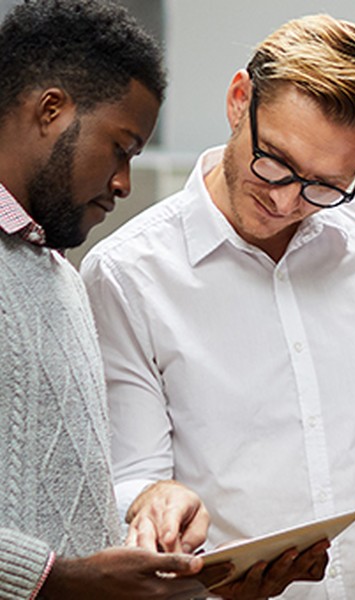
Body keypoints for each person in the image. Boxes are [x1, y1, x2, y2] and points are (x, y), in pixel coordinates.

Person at [81, 14, 355, 598]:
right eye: (276, 162)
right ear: (240, 100)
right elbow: (132, 477)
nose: (288, 200)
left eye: (326, 183)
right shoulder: (127, 275)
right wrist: (152, 509)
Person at [0, 1, 237, 598]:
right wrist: (61, 581)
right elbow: (64, 574)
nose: (124, 183)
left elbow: (62, 510)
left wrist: (160, 553)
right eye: (121, 147)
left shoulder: (61, 280)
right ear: (50, 110)